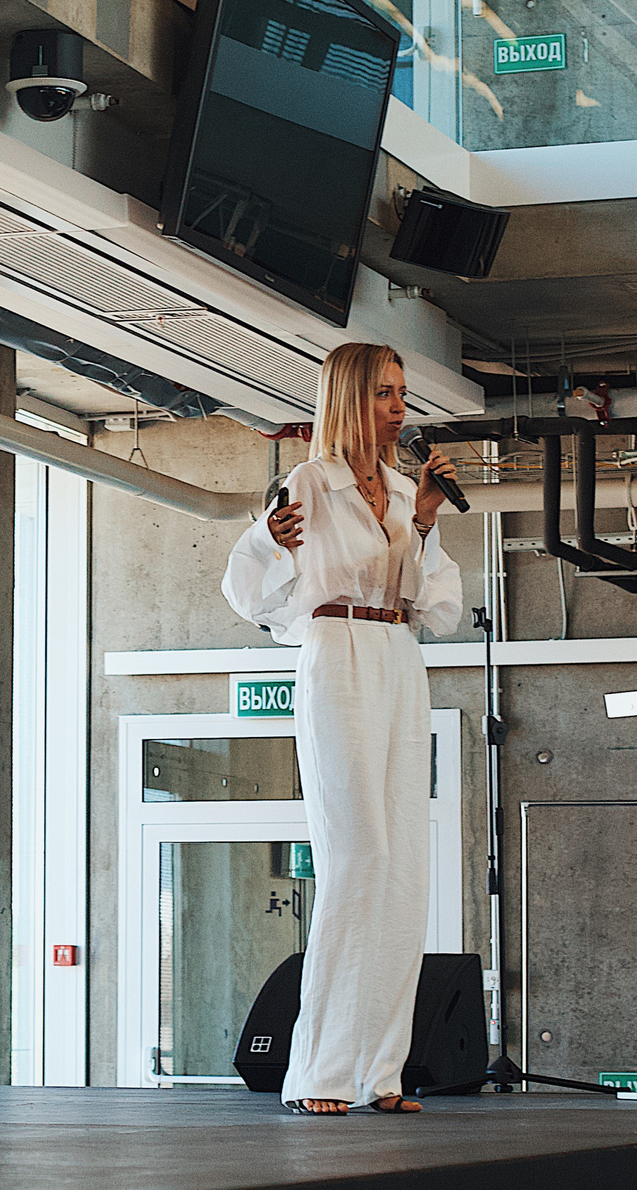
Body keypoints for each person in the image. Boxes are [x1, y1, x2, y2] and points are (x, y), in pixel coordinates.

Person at [222, 342, 461, 1117]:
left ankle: (381, 1069)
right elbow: (253, 591)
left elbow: (441, 607)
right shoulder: (310, 481)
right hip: (336, 649)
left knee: (403, 867)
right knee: (359, 856)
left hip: (398, 651)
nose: (400, 406)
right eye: (385, 393)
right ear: (351, 399)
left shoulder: (401, 487)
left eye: (402, 392)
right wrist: (268, 538)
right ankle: (318, 1071)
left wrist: (421, 522)